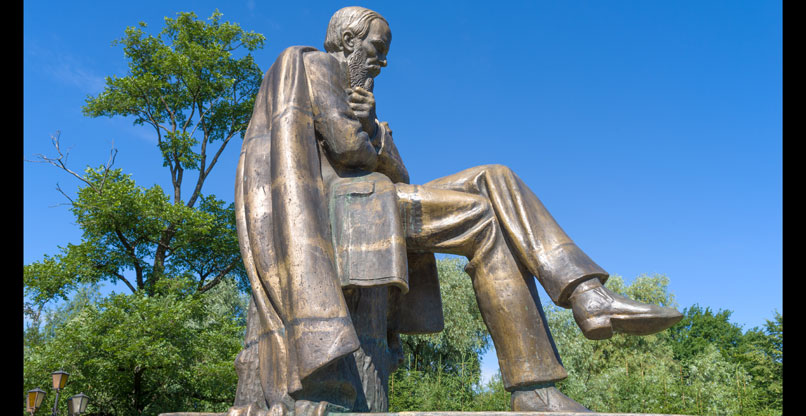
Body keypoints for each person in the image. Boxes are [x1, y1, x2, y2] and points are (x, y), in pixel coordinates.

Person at [230, 7, 682, 415]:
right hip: (347, 206)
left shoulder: (360, 97)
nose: (382, 62)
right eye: (376, 48)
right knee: (482, 220)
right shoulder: (319, 65)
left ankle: (587, 294)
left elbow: (400, 173)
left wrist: (373, 129)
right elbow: (349, 150)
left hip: (378, 196)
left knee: (494, 176)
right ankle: (534, 391)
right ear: (348, 41)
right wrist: (370, 130)